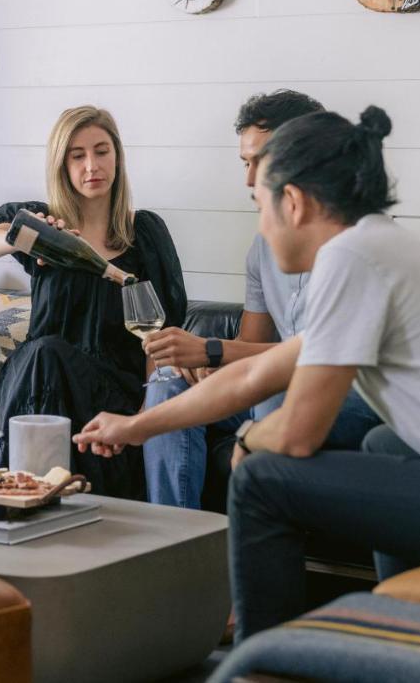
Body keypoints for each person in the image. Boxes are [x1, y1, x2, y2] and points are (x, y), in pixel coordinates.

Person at [74, 106, 420, 640]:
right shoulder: (376, 248)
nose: (260, 223)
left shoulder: (353, 259)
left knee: (261, 479)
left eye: (261, 205)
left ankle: (264, 663)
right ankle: (403, 630)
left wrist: (253, 440)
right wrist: (134, 426)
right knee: (384, 445)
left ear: (295, 203)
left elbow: (297, 434)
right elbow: (254, 377)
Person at [141, 90, 380, 509]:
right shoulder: (263, 247)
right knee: (166, 387)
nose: (249, 179)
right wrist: (204, 369)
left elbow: (320, 358)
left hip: (355, 393)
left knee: (270, 395)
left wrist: (210, 349)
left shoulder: (357, 242)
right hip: (279, 382)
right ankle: (174, 545)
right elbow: (250, 350)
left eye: (260, 160)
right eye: (245, 163)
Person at [0, 105, 187, 500]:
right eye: (78, 155)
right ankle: (23, 500)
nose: (92, 165)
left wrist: (145, 413)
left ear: (117, 158)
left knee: (45, 353)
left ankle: (30, 494)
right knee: (43, 355)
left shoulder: (146, 235)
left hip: (108, 391)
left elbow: (161, 332)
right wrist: (25, 236)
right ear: (63, 165)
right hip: (40, 380)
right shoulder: (46, 226)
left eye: (101, 151)